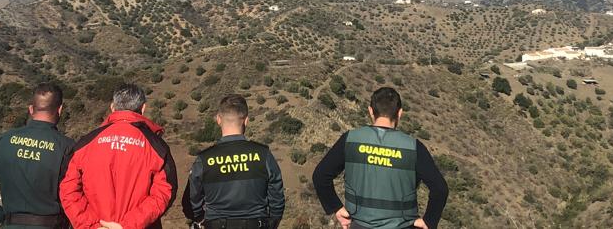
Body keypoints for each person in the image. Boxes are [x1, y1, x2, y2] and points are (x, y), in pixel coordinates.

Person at [312, 87, 448, 229]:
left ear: (371, 111)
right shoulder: (413, 147)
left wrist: (336, 208)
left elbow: (320, 176)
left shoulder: (350, 139)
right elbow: (440, 189)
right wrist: (429, 221)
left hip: (359, 224)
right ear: (400, 113)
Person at [60, 83, 177, 229]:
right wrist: (127, 225)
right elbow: (164, 193)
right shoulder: (156, 146)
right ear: (143, 108)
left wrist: (91, 225)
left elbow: (68, 189)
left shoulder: (85, 144)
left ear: (112, 108)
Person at [0, 82, 76, 228]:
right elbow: (77, 194)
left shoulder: (5, 139)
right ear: (60, 110)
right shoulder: (67, 147)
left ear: (31, 109)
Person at [181, 94, 285, 229]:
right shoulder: (263, 154)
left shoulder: (204, 159)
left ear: (218, 119)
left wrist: (201, 218)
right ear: (246, 120)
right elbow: (277, 197)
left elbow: (192, 199)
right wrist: (272, 223)